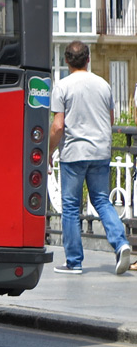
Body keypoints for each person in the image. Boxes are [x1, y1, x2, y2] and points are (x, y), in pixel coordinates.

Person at [50, 40, 132, 275]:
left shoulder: (62, 86)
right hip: (101, 152)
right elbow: (111, 120)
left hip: (74, 153)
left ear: (66, 61)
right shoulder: (104, 85)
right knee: (102, 201)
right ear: (88, 60)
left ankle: (74, 262)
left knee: (70, 206)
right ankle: (121, 243)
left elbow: (57, 126)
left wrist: (48, 151)